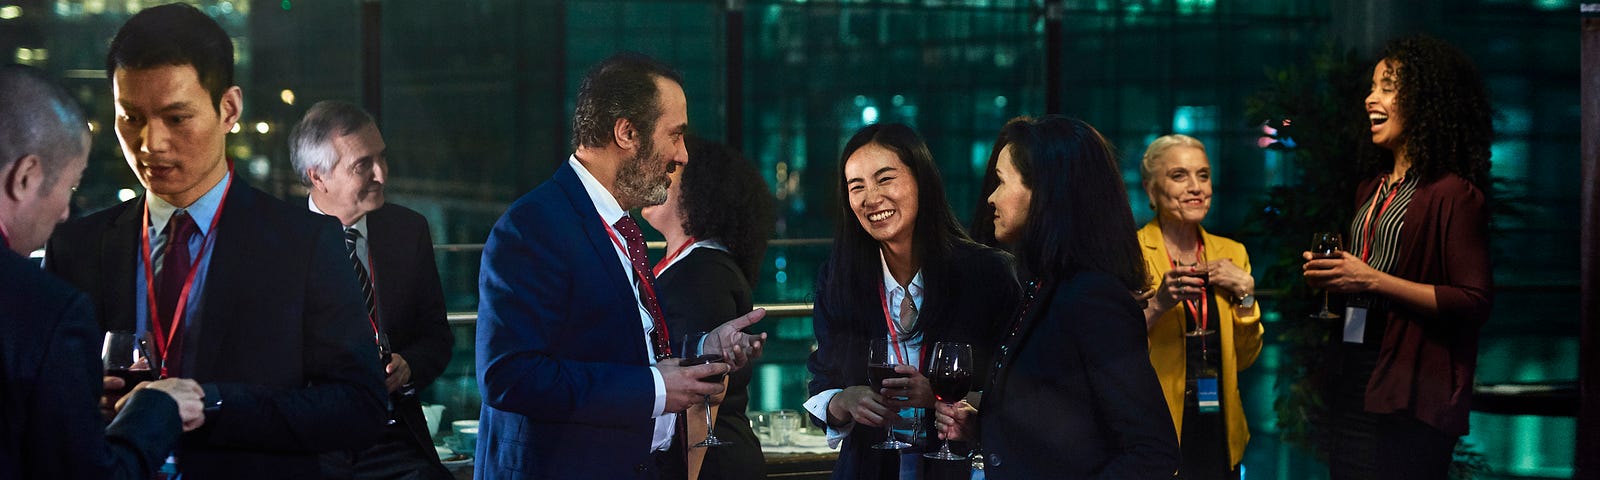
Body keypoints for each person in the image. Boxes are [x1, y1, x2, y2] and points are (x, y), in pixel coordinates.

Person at [44, 5, 386, 478]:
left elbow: (360, 407)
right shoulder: (75, 246)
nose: (150, 143)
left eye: (176, 117)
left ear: (229, 109)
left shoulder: (303, 244)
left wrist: (214, 403)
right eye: (132, 118)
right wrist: (85, 400)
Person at [475, 52, 767, 479]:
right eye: (675, 135)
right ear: (627, 133)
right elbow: (509, 375)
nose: (683, 155)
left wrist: (697, 353)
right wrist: (657, 389)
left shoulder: (617, 225)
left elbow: (615, 349)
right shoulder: (534, 226)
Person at [934, 116, 1179, 479]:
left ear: (1044, 193)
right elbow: (1064, 428)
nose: (991, 197)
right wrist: (983, 427)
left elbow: (1152, 453)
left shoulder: (1093, 297)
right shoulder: (1042, 287)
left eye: (1001, 182)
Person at [0, 64, 206, 480]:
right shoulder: (45, 311)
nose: (64, 213)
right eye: (69, 188)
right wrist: (157, 410)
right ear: (24, 177)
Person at [1301, 35, 1494, 480]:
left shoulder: (1453, 194)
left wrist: (1369, 280)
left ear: (1425, 100)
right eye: (1372, 86)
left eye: (1388, 86)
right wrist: (1334, 281)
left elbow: (1474, 300)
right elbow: (1365, 279)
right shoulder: (1372, 189)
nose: (1371, 97)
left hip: (1410, 383)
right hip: (1356, 370)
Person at [803, 123, 1020, 480]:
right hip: (867, 470)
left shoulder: (987, 275)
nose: (871, 198)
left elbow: (1015, 395)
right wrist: (844, 401)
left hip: (958, 470)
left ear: (921, 180)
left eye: (884, 179)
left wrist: (937, 396)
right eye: (856, 187)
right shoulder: (839, 279)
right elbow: (821, 385)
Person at [289, 100, 455, 480]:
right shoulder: (277, 243)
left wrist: (408, 366)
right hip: (313, 443)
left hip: (393, 439)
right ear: (318, 177)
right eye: (363, 165)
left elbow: (437, 338)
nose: (382, 174)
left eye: (382, 158)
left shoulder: (407, 231)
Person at [641, 136, 775, 480]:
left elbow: (702, 390)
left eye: (670, 170)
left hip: (708, 463)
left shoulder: (704, 270)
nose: (653, 176)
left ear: (699, 190)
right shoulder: (688, 263)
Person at [1136, 134, 1264, 479]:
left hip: (1219, 427)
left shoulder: (1232, 253)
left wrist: (1247, 295)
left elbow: (1246, 357)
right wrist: (1159, 304)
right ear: (1150, 189)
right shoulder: (1131, 254)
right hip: (1155, 426)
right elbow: (1110, 345)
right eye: (1179, 176)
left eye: (1203, 175)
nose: (1196, 187)